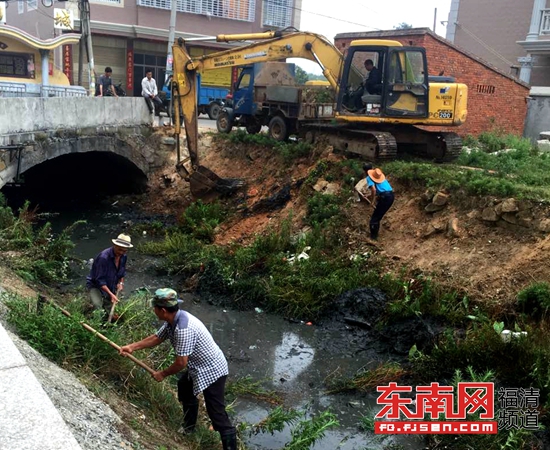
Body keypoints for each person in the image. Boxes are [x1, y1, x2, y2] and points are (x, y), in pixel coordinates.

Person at [119, 288, 237, 450]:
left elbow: (181, 363)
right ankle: (189, 428)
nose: (153, 310)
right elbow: (156, 338)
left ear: (163, 310)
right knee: (185, 388)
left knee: (216, 414)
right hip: (197, 366)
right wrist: (131, 347)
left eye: (154, 308)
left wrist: (163, 374)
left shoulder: (183, 329)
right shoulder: (173, 320)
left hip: (212, 370)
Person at [86, 233, 132, 318]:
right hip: (96, 285)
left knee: (109, 308)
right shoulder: (103, 258)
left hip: (111, 284)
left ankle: (109, 319)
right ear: (114, 245)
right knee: (98, 308)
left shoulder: (123, 256)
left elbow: (121, 272)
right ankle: (96, 325)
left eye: (124, 251)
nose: (121, 253)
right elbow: (99, 280)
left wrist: (120, 283)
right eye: (119, 249)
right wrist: (111, 294)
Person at [363, 163, 394, 240]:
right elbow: (379, 190)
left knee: (374, 219)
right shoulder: (378, 175)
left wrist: (372, 201)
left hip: (385, 197)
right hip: (391, 196)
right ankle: (375, 235)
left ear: (364, 171)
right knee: (377, 217)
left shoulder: (369, 177)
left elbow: (373, 189)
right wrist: (369, 196)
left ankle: (373, 238)